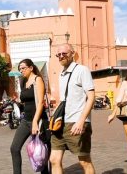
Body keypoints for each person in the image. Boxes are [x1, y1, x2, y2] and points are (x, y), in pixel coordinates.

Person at [49, 44, 96, 174]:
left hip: (76, 122)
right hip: (60, 123)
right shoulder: (61, 74)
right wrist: (53, 116)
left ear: (73, 53)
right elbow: (63, 100)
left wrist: (81, 121)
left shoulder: (82, 70)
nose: (61, 56)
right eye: (58, 55)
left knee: (84, 161)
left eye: (64, 53)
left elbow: (91, 97)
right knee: (54, 159)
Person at [10, 58, 49, 174]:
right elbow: (25, 101)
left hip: (39, 120)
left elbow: (41, 102)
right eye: (20, 69)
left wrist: (35, 122)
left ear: (31, 68)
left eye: (23, 68)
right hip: (26, 120)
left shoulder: (38, 80)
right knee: (14, 148)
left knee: (41, 152)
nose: (21, 70)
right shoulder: (23, 82)